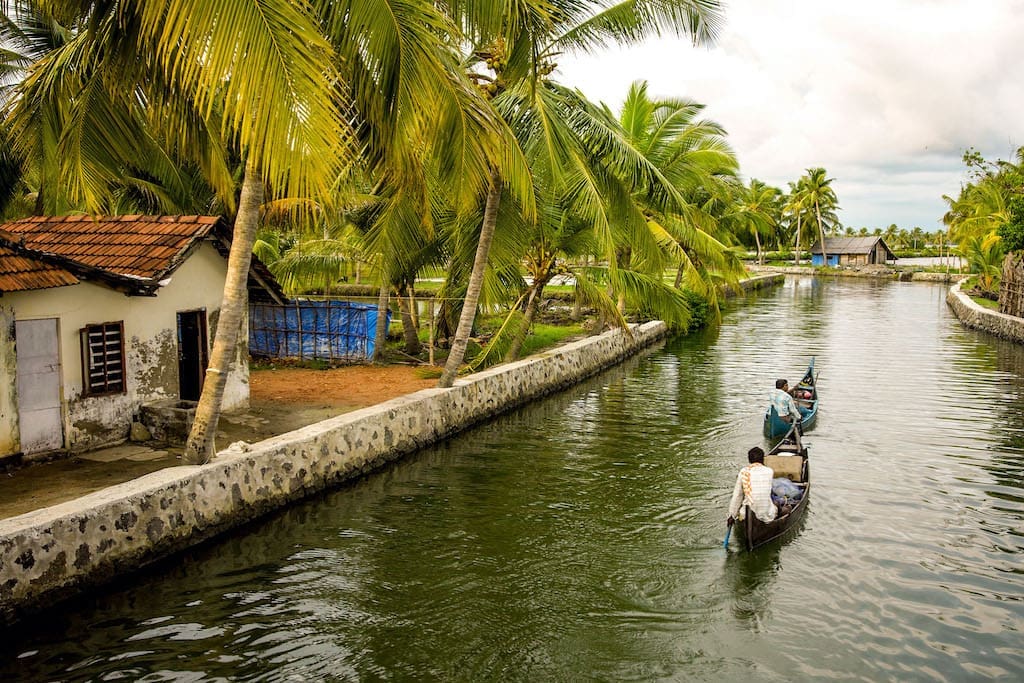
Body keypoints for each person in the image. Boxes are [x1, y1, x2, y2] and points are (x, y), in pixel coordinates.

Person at [727, 446, 777, 526]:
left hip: (746, 515)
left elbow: (737, 496)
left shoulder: (743, 472)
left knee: (743, 503)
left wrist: (732, 516)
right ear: (763, 459)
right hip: (767, 514)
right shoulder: (769, 471)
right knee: (776, 504)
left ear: (749, 460)